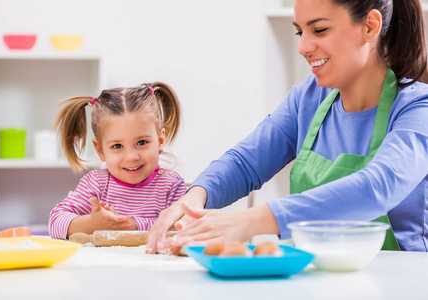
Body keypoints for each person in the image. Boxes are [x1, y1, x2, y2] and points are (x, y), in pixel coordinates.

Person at [146, 0, 428, 254]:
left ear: (370, 26)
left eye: (319, 30)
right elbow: (246, 163)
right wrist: (194, 199)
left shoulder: (417, 110)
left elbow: (375, 188)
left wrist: (251, 221)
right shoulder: (309, 99)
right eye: (299, 31)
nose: (303, 47)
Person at [49, 82, 186, 240]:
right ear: (100, 149)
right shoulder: (96, 184)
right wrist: (92, 224)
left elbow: (181, 229)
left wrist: (133, 225)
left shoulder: (171, 185)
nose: (131, 157)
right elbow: (55, 223)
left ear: (160, 140)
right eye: (117, 146)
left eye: (141, 142)